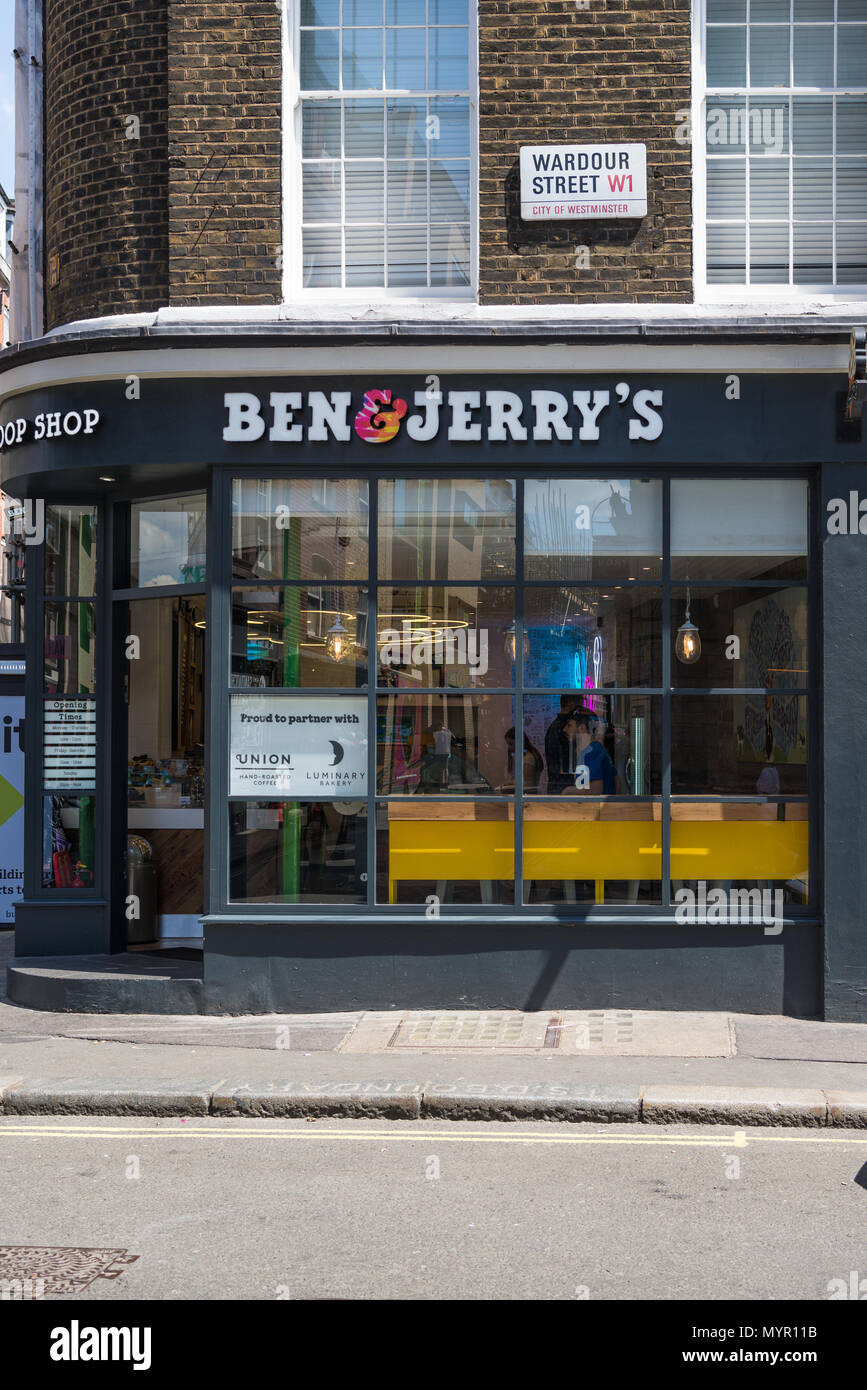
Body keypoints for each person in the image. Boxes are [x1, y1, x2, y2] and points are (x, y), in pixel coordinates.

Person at [560, 707, 617, 795]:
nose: (564, 729)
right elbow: (617, 783)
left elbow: (596, 789)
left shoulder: (591, 752)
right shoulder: (594, 749)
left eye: (569, 725)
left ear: (582, 728)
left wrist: (568, 791)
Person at [544, 694, 580, 794]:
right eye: (578, 706)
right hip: (563, 786)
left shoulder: (554, 727)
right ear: (570, 704)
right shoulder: (561, 728)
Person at [502, 727, 543, 792]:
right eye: (508, 744)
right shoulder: (524, 757)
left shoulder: (528, 758)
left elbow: (529, 784)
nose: (509, 747)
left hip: (527, 794)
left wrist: (512, 784)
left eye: (511, 744)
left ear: (519, 742)